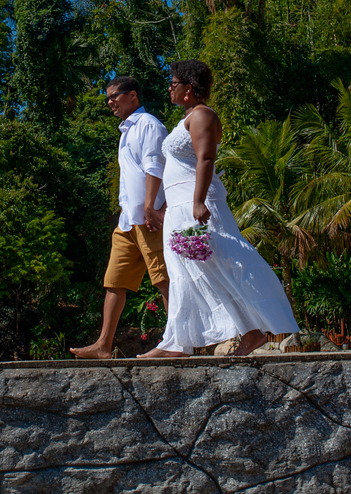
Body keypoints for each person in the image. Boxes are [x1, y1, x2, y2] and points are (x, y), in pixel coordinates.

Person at [140, 60, 299, 358]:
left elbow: (206, 159)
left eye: (173, 83)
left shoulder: (203, 115)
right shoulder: (186, 118)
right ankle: (234, 335)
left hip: (196, 202)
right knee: (188, 272)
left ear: (188, 88)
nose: (169, 88)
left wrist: (198, 201)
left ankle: (181, 344)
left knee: (225, 262)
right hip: (178, 206)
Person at [70, 76, 170, 359]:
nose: (110, 102)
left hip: (148, 219)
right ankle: (103, 345)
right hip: (128, 221)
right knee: (115, 281)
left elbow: (155, 166)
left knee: (163, 280)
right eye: (108, 98)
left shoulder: (148, 124)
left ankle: (177, 341)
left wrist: (151, 207)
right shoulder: (126, 131)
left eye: (115, 96)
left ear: (133, 96)